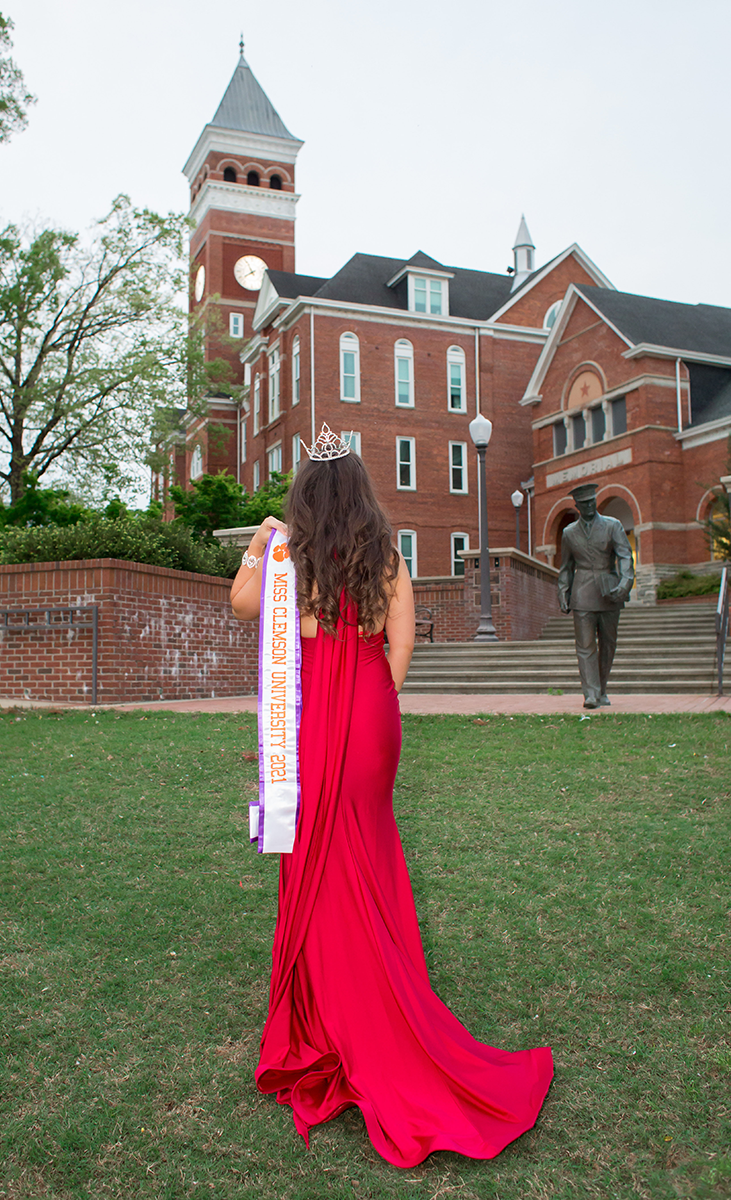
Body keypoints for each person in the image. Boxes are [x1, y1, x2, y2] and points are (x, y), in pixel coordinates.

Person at [231, 428, 553, 1169]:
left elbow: (244, 606)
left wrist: (258, 540)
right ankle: (371, 995)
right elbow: (399, 647)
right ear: (363, 489)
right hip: (372, 709)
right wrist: (369, 702)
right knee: (366, 851)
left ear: (306, 492)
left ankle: (332, 1013)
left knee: (318, 851)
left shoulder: (289, 554)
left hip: (314, 715)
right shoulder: (386, 552)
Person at [557, 482, 635, 709]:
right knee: (585, 645)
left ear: (596, 501)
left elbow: (625, 556)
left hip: (609, 591)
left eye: (591, 502)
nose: (589, 506)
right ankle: (590, 694)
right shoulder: (569, 533)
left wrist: (625, 583)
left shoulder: (613, 525)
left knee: (608, 644)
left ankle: (601, 688)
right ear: (577, 506)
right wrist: (563, 592)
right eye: (584, 504)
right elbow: (566, 567)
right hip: (582, 593)